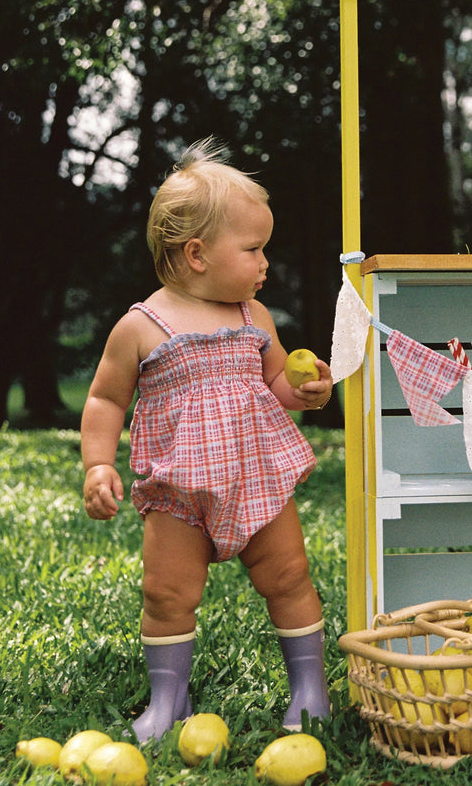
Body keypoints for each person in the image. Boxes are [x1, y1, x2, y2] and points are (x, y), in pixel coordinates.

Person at [80, 139, 333, 742]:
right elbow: (106, 399)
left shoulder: (255, 316)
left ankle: (310, 691)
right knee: (166, 593)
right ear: (197, 254)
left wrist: (305, 392)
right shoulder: (141, 326)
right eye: (253, 248)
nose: (266, 261)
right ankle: (169, 701)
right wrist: (97, 465)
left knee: (290, 576)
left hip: (256, 478)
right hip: (179, 488)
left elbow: (275, 382)